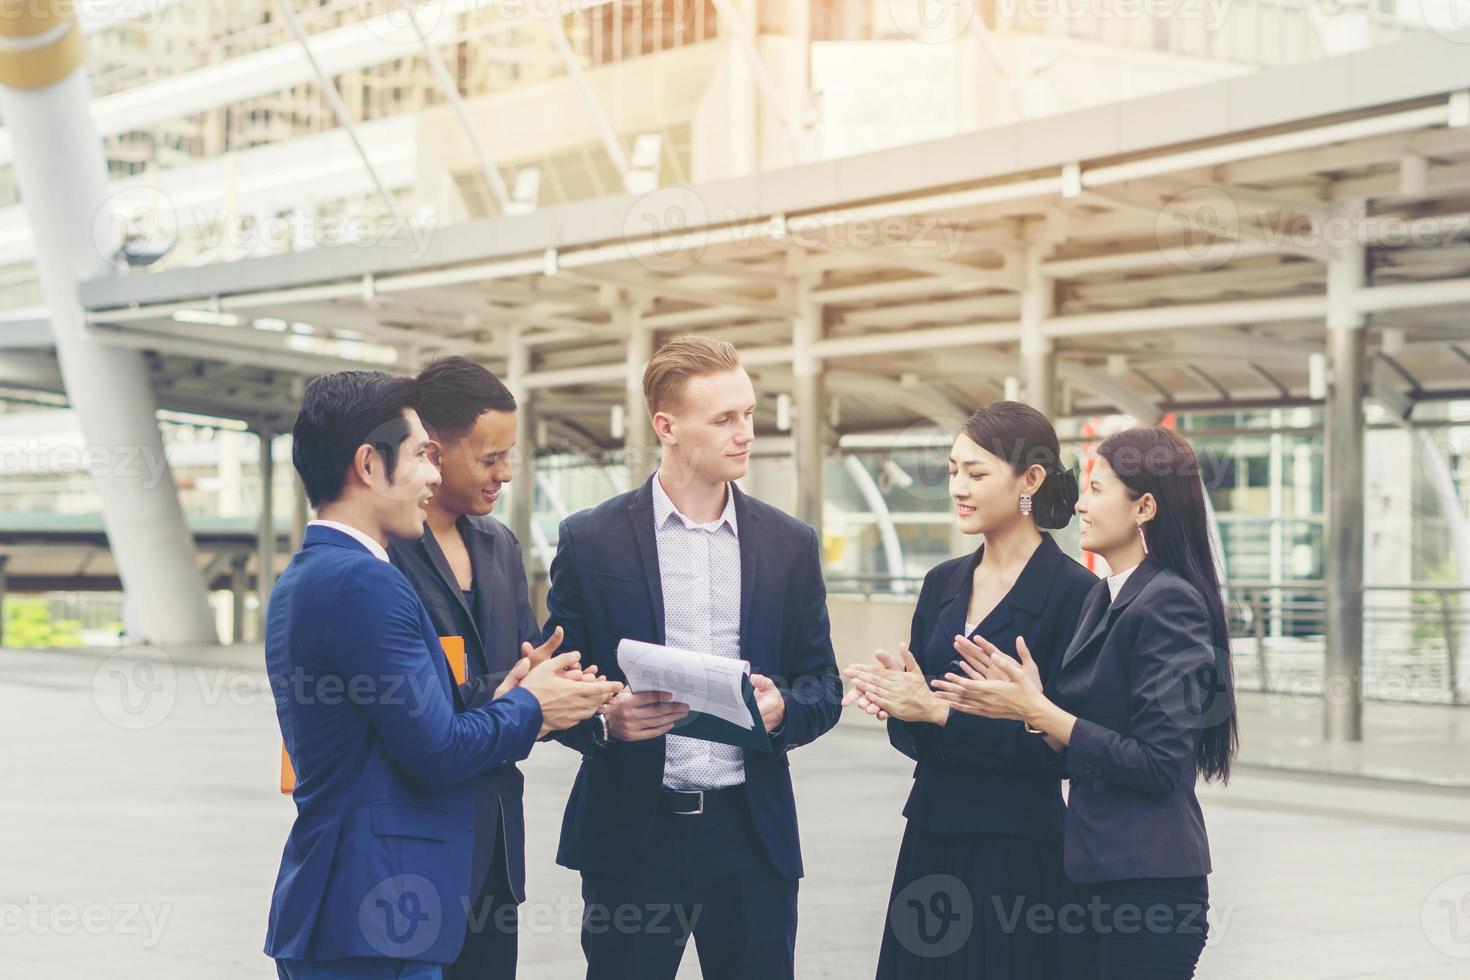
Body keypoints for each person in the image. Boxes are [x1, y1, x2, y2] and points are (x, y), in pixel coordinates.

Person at [263, 370, 621, 980]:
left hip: (369, 903)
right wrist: (529, 706)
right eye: (420, 455)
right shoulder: (366, 582)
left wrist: (514, 695)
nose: (431, 474)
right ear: (370, 466)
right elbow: (437, 749)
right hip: (380, 910)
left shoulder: (319, 572)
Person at [542, 336, 843, 980]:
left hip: (750, 838)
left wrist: (783, 707)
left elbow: (824, 685)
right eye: (725, 418)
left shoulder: (790, 544)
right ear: (667, 426)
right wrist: (604, 720)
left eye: (750, 414)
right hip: (633, 836)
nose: (746, 434)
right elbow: (554, 684)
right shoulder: (590, 540)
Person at [933, 425, 1237, 980]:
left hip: (1148, 889)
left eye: (1097, 490)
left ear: (1144, 507)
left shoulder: (1169, 603)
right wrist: (1020, 706)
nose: (1079, 503)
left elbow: (1159, 764)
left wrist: (1039, 710)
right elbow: (1087, 741)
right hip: (1093, 878)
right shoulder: (1105, 598)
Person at [844, 401, 1097, 978]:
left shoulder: (1075, 595)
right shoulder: (942, 583)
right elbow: (923, 737)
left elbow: (1059, 748)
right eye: (954, 470)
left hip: (1016, 845)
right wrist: (902, 704)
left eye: (977, 473)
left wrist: (937, 712)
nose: (958, 487)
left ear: (1030, 479)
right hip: (931, 831)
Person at [387, 356, 572, 980]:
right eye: (490, 458)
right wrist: (526, 692)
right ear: (432, 452)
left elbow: (525, 659)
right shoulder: (383, 556)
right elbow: (418, 703)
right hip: (410, 852)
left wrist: (591, 705)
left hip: (493, 850)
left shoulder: (498, 546)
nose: (507, 474)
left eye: (511, 455)